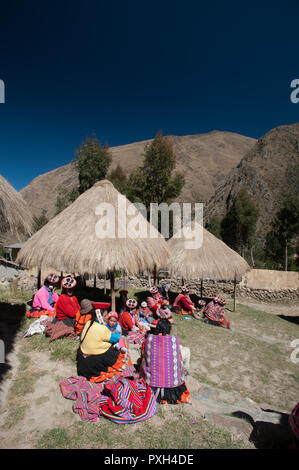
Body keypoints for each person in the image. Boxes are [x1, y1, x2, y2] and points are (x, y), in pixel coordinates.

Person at [140, 318, 190, 404]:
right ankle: (186, 370)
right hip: (172, 388)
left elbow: (143, 355)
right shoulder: (173, 341)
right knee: (186, 350)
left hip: (152, 384)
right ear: (169, 329)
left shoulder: (148, 340)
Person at [76, 308, 122, 381]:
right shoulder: (102, 328)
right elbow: (116, 338)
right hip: (93, 361)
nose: (107, 317)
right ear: (98, 317)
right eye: (105, 315)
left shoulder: (88, 322)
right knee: (116, 351)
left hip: (82, 358)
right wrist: (117, 334)